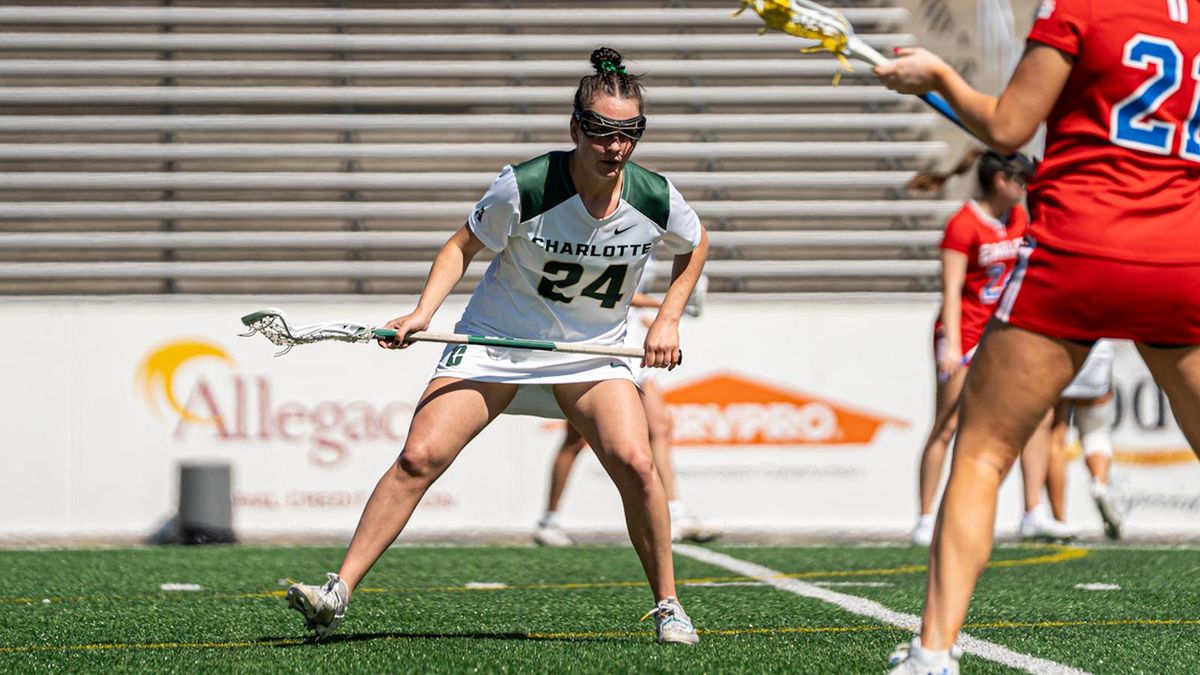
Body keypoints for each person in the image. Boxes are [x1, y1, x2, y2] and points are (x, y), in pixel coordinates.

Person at [285, 47, 709, 646]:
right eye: (602, 131)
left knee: (638, 466)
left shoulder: (656, 195)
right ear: (576, 128)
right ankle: (338, 592)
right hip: (496, 341)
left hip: (592, 352)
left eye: (629, 133)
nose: (616, 147)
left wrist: (666, 321)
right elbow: (461, 248)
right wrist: (422, 313)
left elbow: (695, 244)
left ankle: (669, 606)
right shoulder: (526, 185)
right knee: (419, 457)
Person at [875, 2, 1200, 672]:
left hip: (1081, 248)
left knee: (983, 453)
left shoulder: (1081, 5)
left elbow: (1007, 124)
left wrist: (936, 76)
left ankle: (933, 654)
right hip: (1184, 258)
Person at [905, 151, 1070, 546]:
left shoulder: (1018, 218)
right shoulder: (963, 225)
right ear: (1000, 181)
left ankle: (1033, 512)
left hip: (1002, 332)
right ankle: (925, 518)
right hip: (964, 331)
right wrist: (954, 345)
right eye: (1021, 180)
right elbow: (951, 289)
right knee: (946, 424)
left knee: (1038, 415)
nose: (1025, 187)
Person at [534, 284, 719, 546]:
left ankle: (675, 511)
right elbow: (614, 290)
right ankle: (548, 521)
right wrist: (666, 306)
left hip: (634, 348)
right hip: (603, 348)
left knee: (659, 428)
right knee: (574, 441)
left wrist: (651, 317)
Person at [1045, 339, 1123, 539]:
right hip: (1098, 351)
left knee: (1055, 436)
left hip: (1059, 349)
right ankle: (1100, 483)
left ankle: (1059, 519)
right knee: (1096, 433)